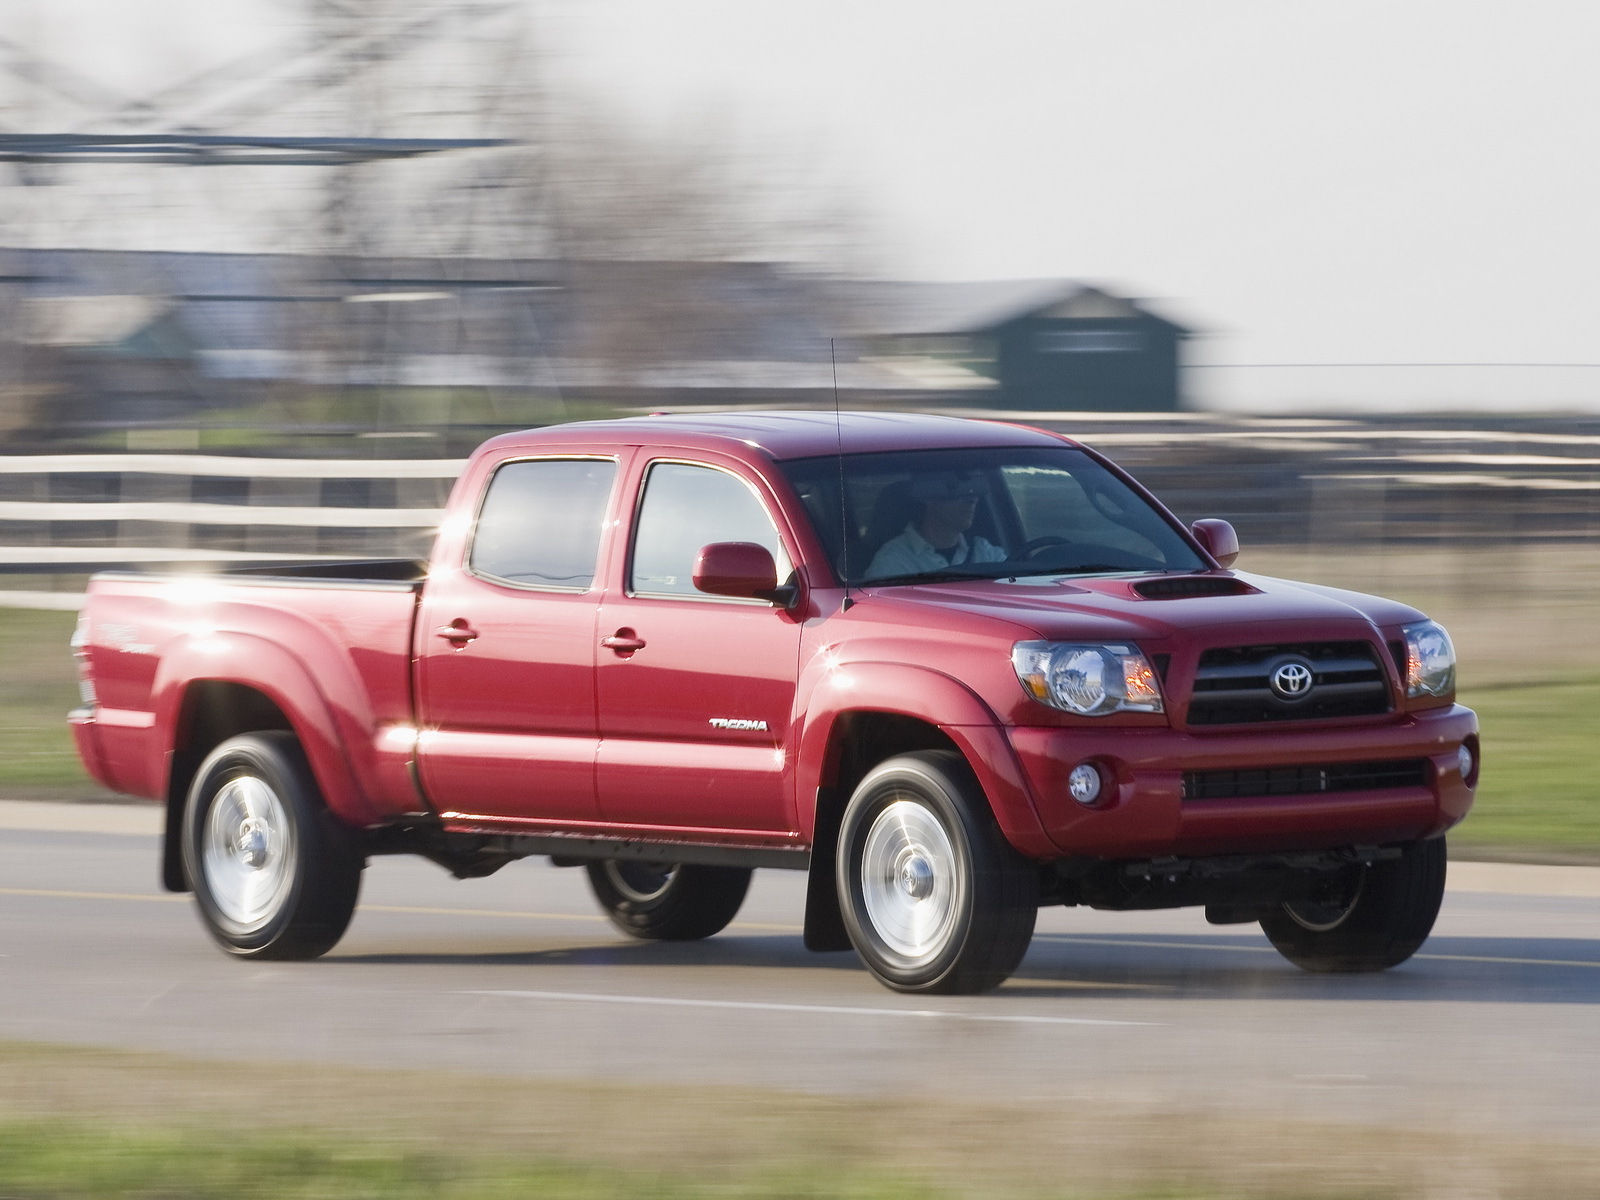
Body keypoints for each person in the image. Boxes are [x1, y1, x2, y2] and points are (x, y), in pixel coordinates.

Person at [865, 471, 1007, 579]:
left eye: (976, 488)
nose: (972, 498)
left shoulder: (987, 554)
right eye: (956, 487)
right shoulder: (893, 564)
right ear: (927, 495)